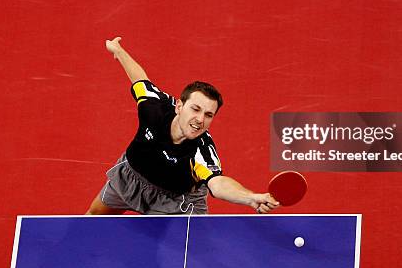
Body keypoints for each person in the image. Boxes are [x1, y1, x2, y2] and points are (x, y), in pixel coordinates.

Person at [86, 37, 279, 215]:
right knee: (92, 219)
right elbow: (140, 80)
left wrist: (250, 197)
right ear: (179, 106)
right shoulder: (155, 108)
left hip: (175, 201)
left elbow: (217, 184)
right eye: (195, 109)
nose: (200, 119)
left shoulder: (201, 151)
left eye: (208, 115)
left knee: (178, 251)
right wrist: (118, 51)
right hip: (130, 179)